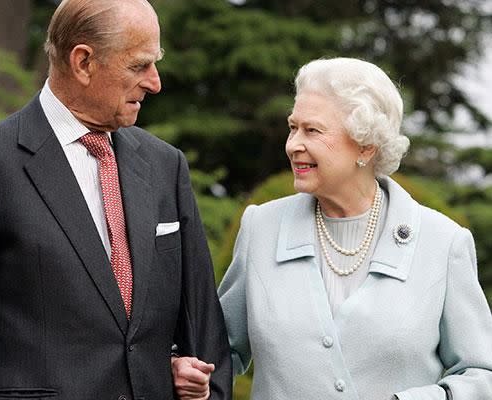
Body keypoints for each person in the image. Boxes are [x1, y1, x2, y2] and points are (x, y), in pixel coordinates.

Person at [0, 0, 232, 399]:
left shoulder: (166, 166)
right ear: (83, 62)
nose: (155, 82)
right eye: (139, 65)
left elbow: (204, 332)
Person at [173, 57, 492, 399]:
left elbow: (480, 374)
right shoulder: (261, 228)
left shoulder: (442, 243)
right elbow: (218, 351)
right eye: (293, 127)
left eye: (312, 130)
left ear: (366, 146)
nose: (293, 144)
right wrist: (185, 368)